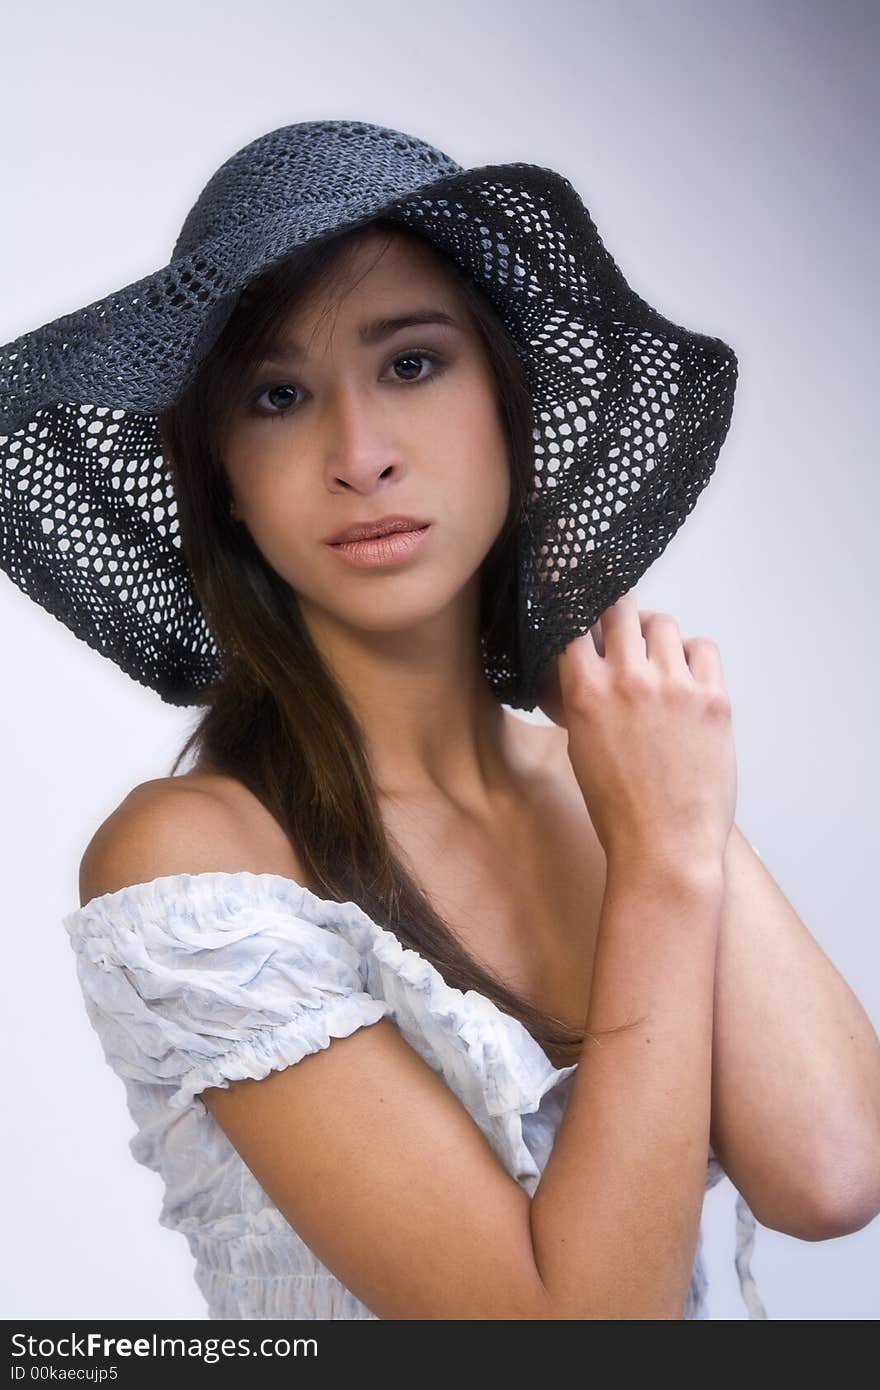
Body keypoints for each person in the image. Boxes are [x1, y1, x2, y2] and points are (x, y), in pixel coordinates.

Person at [4, 119, 770, 1318]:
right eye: (277, 395)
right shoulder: (194, 863)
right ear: (226, 484)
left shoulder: (612, 784)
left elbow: (831, 1169)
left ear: (510, 408)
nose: (357, 455)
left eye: (411, 364)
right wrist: (667, 864)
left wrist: (636, 763)